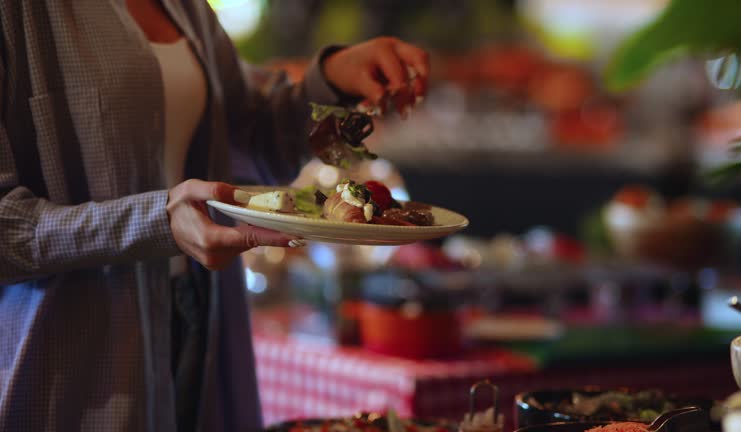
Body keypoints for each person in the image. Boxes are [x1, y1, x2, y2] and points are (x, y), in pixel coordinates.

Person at [0, 1, 429, 431]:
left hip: (199, 317)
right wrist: (156, 222)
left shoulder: (186, 8)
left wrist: (332, 78)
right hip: (76, 355)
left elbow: (256, 142)